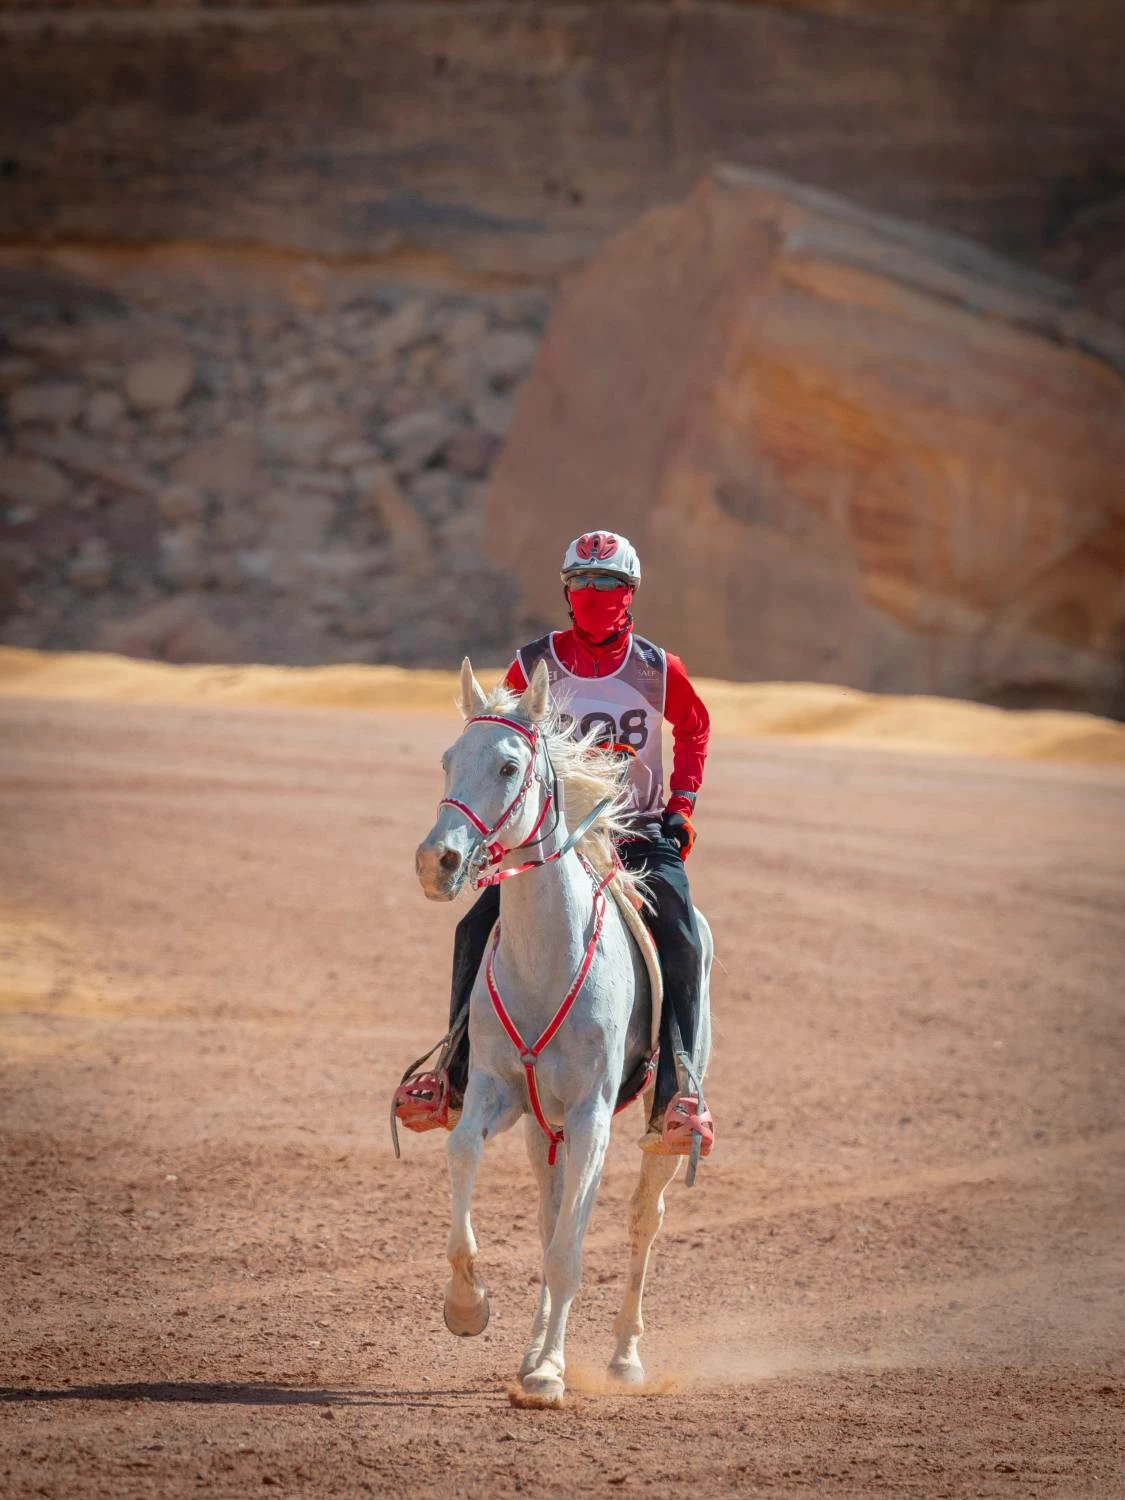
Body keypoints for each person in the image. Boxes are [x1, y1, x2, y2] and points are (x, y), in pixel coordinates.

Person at [410, 529, 714, 1155]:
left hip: (637, 832)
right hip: (554, 841)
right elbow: (498, 738)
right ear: (566, 591)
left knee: (681, 933)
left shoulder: (659, 668)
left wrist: (680, 807)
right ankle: (453, 1079)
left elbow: (695, 728)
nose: (593, 594)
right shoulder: (533, 663)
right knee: (475, 930)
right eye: (581, 583)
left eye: (607, 584)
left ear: (629, 593)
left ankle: (678, 1096)